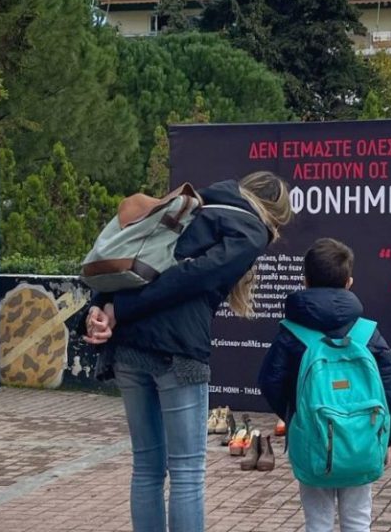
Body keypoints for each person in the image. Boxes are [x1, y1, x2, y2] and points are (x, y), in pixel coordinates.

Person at [84, 171, 293, 532]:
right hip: (178, 350)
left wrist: (103, 306)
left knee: (146, 466)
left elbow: (135, 258)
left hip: (129, 344)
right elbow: (191, 278)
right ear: (274, 212)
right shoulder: (250, 230)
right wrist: (120, 309)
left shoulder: (195, 206)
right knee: (186, 471)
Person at [258, 238, 391, 532]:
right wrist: (388, 437)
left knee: (318, 522)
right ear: (349, 282)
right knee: (358, 520)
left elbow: (270, 381)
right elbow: (389, 386)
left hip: (312, 442)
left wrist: (295, 417)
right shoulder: (367, 333)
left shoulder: (292, 333)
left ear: (305, 280)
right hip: (362, 442)